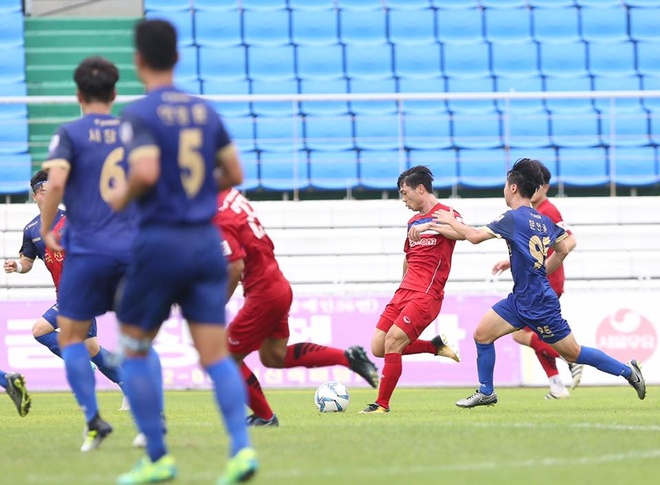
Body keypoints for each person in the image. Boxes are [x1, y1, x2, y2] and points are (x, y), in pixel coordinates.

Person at [107, 19, 257, 485]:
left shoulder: (139, 113)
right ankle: (241, 452)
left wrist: (119, 196)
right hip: (205, 245)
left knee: (132, 350)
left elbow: (147, 170)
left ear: (138, 60)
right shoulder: (203, 110)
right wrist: (193, 191)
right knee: (214, 354)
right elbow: (234, 170)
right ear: (176, 57)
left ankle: (157, 458)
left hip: (160, 244)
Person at [431, 158, 646, 408]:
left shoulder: (512, 218)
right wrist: (542, 270)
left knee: (573, 353)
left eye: (505, 185)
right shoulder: (542, 219)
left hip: (539, 302)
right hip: (523, 297)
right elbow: (564, 248)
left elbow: (475, 237)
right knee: (482, 334)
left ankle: (629, 372)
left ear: (512, 188)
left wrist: (451, 221)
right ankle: (486, 391)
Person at [215, 188, 379, 426]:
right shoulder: (231, 196)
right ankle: (348, 357)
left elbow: (234, 266)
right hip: (277, 285)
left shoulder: (218, 214)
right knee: (274, 356)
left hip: (263, 292)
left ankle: (265, 416)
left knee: (224, 356)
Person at [39, 57, 138, 451]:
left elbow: (57, 182)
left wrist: (47, 228)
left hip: (86, 250)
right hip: (129, 249)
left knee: (74, 337)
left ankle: (94, 421)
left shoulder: (69, 133)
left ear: (78, 94)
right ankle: (151, 425)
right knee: (137, 339)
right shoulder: (134, 131)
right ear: (114, 94)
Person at [4, 171, 127, 409]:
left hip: (82, 292)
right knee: (93, 348)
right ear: (35, 196)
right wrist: (16, 266)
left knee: (40, 330)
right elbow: (27, 262)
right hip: (65, 295)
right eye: (42, 190)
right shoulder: (31, 229)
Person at [360, 165, 461, 414]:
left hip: (427, 294)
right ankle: (433, 346)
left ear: (421, 189)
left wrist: (431, 227)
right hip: (405, 291)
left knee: (393, 342)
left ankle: (381, 404)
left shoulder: (447, 214)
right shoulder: (413, 221)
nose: (403, 199)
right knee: (377, 347)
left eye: (405, 193)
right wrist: (402, 283)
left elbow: (461, 233)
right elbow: (409, 255)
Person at [491, 161, 583, 400]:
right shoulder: (533, 211)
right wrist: (510, 262)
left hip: (544, 284)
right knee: (538, 336)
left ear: (545, 187)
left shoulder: (548, 211)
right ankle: (556, 385)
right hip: (539, 282)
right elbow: (532, 247)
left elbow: (569, 243)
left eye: (540, 184)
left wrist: (542, 267)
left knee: (522, 335)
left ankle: (568, 360)